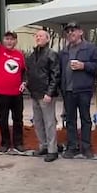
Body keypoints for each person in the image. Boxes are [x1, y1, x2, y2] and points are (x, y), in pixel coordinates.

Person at [58, 21, 97, 159]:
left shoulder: (90, 48)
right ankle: (72, 147)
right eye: (68, 31)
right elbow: (59, 70)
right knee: (70, 120)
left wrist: (83, 65)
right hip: (68, 90)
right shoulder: (64, 51)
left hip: (83, 90)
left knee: (85, 119)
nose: (70, 33)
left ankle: (86, 147)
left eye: (73, 30)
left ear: (81, 32)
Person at [0, 13, 27, 154]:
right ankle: (5, 143)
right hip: (1, 93)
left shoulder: (20, 55)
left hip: (16, 93)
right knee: (3, 119)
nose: (9, 41)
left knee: (18, 119)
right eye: (7, 39)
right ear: (3, 40)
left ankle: (18, 143)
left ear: (15, 41)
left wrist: (24, 82)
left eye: (12, 39)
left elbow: (23, 72)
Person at [25, 29, 61, 162]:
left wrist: (50, 92)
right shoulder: (32, 55)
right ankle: (43, 146)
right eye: (37, 36)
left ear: (47, 39)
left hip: (46, 95)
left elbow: (55, 74)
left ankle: (53, 150)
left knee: (49, 122)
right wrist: (26, 84)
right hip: (34, 94)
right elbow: (29, 73)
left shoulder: (51, 54)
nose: (38, 38)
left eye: (41, 36)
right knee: (38, 122)